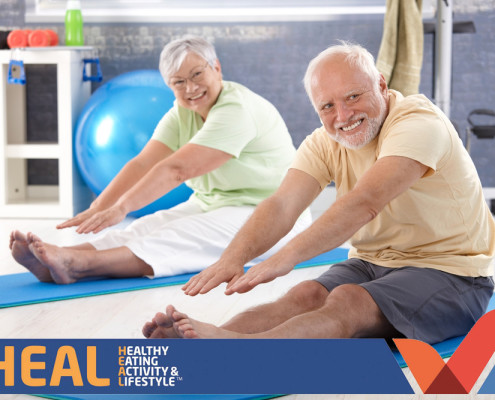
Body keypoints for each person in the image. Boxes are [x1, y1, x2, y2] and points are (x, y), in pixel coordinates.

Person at [143, 41, 495, 344]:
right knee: (305, 294)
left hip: (454, 275)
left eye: (354, 96)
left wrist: (286, 256)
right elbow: (282, 205)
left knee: (349, 300)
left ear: (381, 85)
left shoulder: (418, 123)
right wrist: (232, 258)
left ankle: (241, 351)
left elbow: (365, 202)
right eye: (327, 106)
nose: (343, 115)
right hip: (374, 262)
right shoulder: (324, 142)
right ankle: (210, 341)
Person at [9, 35, 311, 284]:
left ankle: (78, 265)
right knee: (146, 226)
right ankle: (58, 258)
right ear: (169, 85)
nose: (190, 88)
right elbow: (142, 163)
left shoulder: (236, 110)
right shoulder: (182, 113)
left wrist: (123, 207)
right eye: (178, 82)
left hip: (277, 215)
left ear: (216, 67)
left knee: (182, 236)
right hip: (217, 203)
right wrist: (100, 207)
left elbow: (177, 169)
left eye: (197, 74)